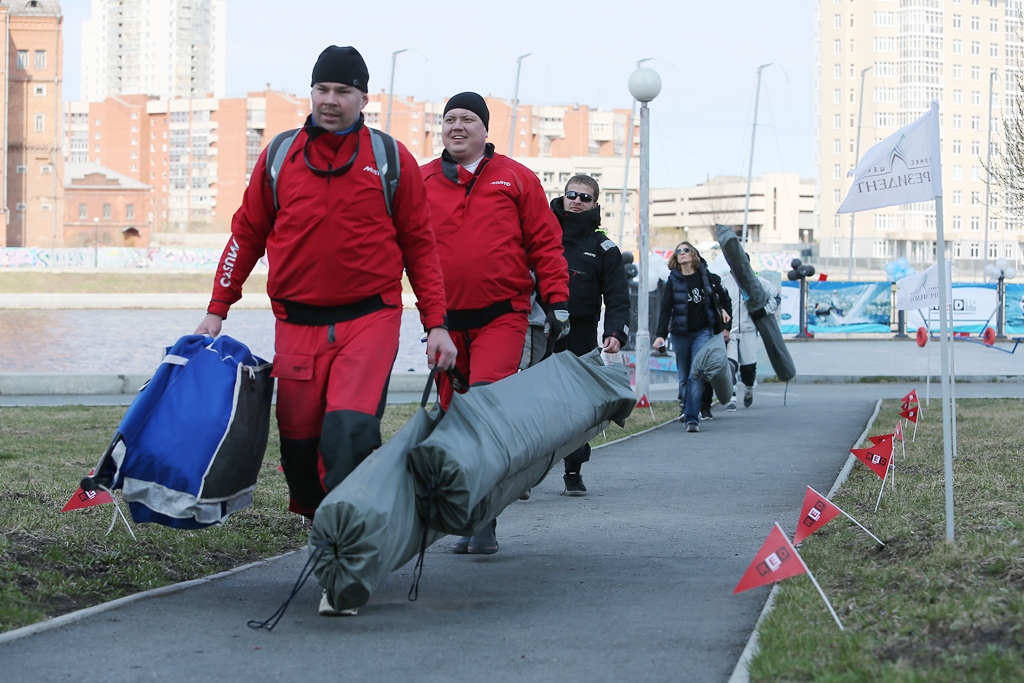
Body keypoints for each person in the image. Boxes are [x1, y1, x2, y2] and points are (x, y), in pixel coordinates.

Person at [195, 46, 457, 614]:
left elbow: (421, 246)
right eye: (323, 90)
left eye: (343, 92)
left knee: (349, 433)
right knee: (299, 449)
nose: (331, 101)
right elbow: (246, 234)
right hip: (296, 323)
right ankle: (329, 534)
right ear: (310, 94)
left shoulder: (389, 158)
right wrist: (218, 307)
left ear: (364, 99)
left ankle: (349, 559)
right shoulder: (279, 156)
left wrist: (436, 322)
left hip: (370, 316)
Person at [421, 92, 570, 554]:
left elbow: (546, 244)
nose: (457, 126)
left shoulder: (516, 178)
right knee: (453, 421)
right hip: (445, 325)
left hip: (502, 317)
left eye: (468, 119)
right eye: (449, 119)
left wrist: (559, 300)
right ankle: (467, 512)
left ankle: (484, 521)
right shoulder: (421, 180)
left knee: (485, 414)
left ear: (486, 130)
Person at [549, 174, 629, 495]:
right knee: (536, 404)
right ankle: (525, 471)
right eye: (572, 195)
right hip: (542, 329)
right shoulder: (542, 234)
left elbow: (618, 296)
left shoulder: (605, 248)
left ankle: (573, 469)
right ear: (563, 196)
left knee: (577, 407)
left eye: (585, 197)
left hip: (581, 333)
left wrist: (616, 332)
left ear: (595, 204)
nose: (577, 201)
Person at [652, 242, 731, 433]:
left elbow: (724, 299)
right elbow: (665, 308)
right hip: (680, 334)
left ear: (694, 254)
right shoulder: (673, 280)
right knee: (683, 377)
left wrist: (725, 321)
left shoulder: (708, 278)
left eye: (686, 250)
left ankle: (692, 418)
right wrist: (660, 335)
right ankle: (686, 407)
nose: (682, 253)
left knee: (695, 374)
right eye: (678, 251)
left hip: (703, 332)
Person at [721, 264, 780, 408]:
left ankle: (748, 389)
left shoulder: (757, 281)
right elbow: (718, 302)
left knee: (748, 368)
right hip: (731, 330)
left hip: (749, 330)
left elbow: (775, 295)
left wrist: (765, 311)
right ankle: (731, 396)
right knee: (730, 365)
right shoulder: (725, 282)